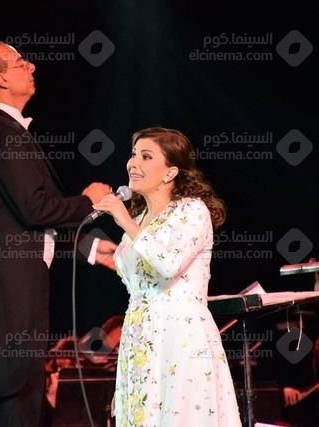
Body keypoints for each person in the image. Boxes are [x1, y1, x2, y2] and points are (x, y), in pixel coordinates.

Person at [0, 40, 116, 427]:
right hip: (7, 290)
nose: (32, 67)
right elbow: (35, 208)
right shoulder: (0, 132)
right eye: (20, 62)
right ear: (1, 78)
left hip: (13, 286)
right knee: (16, 394)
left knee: (25, 393)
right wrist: (89, 202)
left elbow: (25, 219)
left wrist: (90, 247)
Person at [92, 127, 241, 425]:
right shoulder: (139, 219)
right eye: (134, 154)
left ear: (170, 172)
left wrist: (123, 220)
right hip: (139, 335)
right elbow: (138, 277)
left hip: (179, 336)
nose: (133, 163)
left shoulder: (191, 211)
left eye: (146, 156)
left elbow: (169, 263)